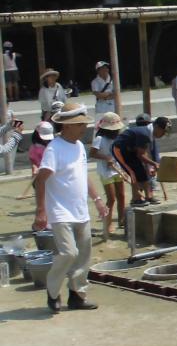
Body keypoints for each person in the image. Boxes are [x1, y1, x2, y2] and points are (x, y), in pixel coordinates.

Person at [34, 103, 106, 313]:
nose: (83, 128)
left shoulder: (79, 147)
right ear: (66, 126)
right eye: (79, 125)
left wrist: (97, 199)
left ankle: (77, 295)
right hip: (60, 211)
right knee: (69, 252)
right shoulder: (54, 148)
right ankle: (53, 291)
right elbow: (41, 180)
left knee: (83, 255)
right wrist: (41, 210)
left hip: (80, 210)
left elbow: (83, 177)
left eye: (84, 124)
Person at [91, 112, 126, 238]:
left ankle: (122, 220)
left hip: (117, 168)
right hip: (105, 171)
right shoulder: (100, 139)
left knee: (121, 195)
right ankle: (108, 223)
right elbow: (92, 153)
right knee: (111, 198)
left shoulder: (117, 138)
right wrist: (106, 157)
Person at [112, 117, 160, 206]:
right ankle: (136, 198)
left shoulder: (150, 133)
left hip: (131, 151)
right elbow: (140, 155)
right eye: (163, 131)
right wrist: (154, 164)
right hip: (120, 150)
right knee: (133, 173)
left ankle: (149, 196)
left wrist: (150, 166)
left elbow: (143, 153)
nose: (163, 134)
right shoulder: (145, 134)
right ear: (157, 127)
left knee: (142, 173)